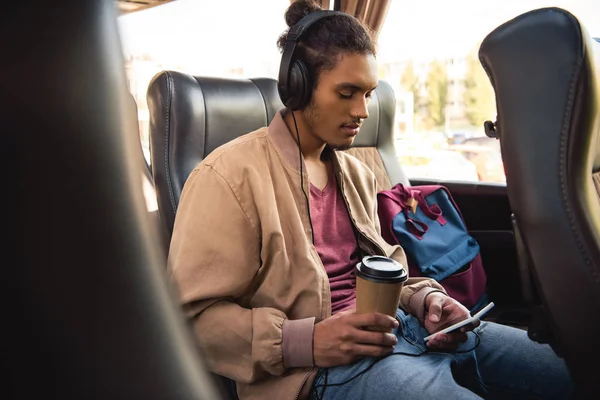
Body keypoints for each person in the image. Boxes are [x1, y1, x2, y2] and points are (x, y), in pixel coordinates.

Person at [168, 1, 575, 399]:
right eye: (347, 92)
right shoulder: (227, 177)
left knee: (575, 369)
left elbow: (387, 272)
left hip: (405, 330)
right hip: (320, 370)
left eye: (368, 93)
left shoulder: (356, 174)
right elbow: (190, 321)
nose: (362, 110)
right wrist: (306, 341)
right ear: (299, 86)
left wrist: (427, 300)